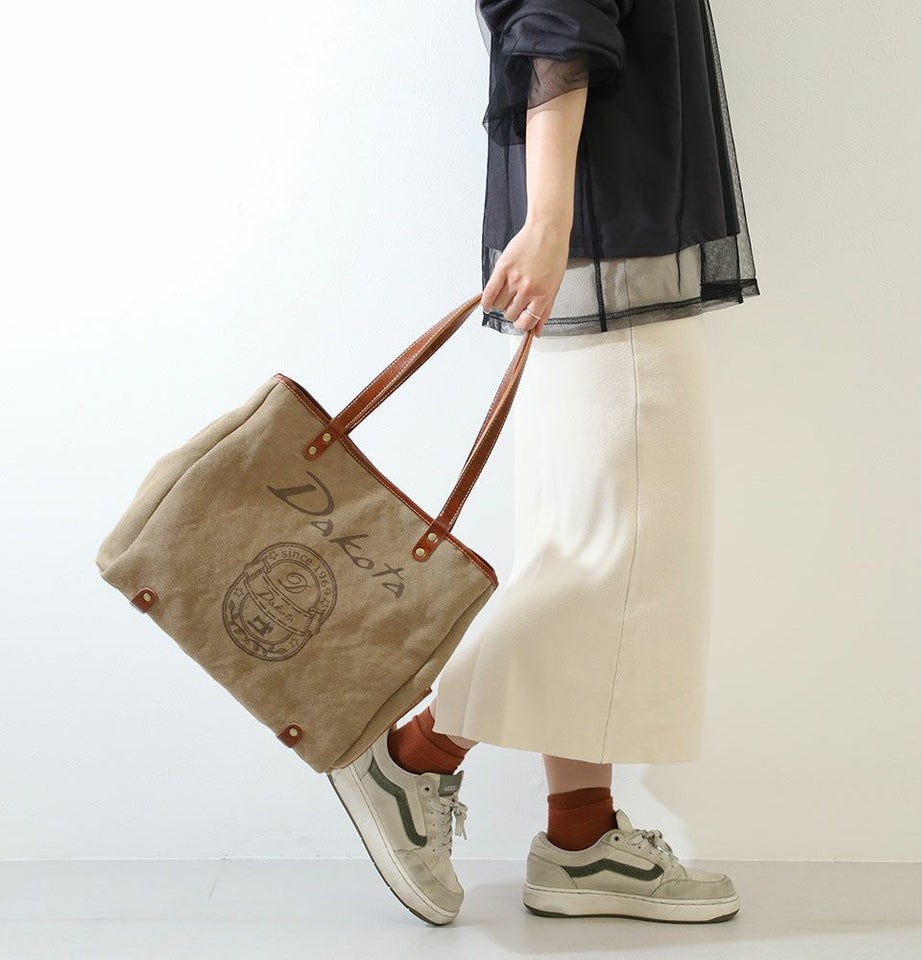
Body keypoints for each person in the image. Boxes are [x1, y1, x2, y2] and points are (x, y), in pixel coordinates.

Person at [326, 0, 760, 926]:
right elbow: (558, 21)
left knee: (586, 552)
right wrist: (552, 215)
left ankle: (581, 836)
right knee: (628, 558)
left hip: (601, 240)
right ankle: (412, 757)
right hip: (607, 244)